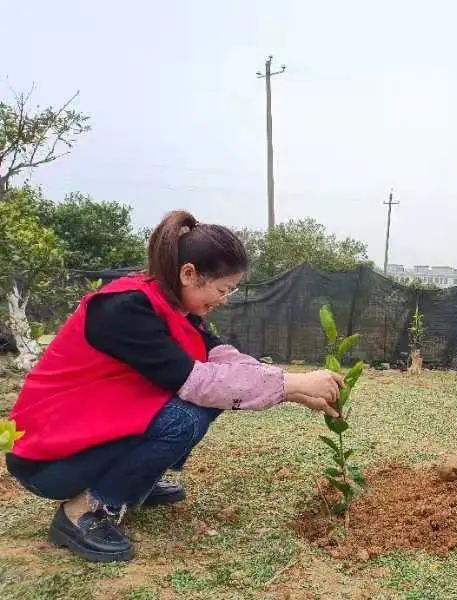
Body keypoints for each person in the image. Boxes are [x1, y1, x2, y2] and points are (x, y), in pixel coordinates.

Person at [5, 210, 344, 562]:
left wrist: (297, 390)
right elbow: (197, 381)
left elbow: (221, 359)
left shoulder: (175, 309)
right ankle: (85, 510)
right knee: (184, 415)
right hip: (47, 461)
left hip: (80, 441)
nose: (224, 299)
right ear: (189, 274)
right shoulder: (127, 309)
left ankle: (132, 480)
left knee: (207, 400)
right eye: (223, 289)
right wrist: (290, 383)